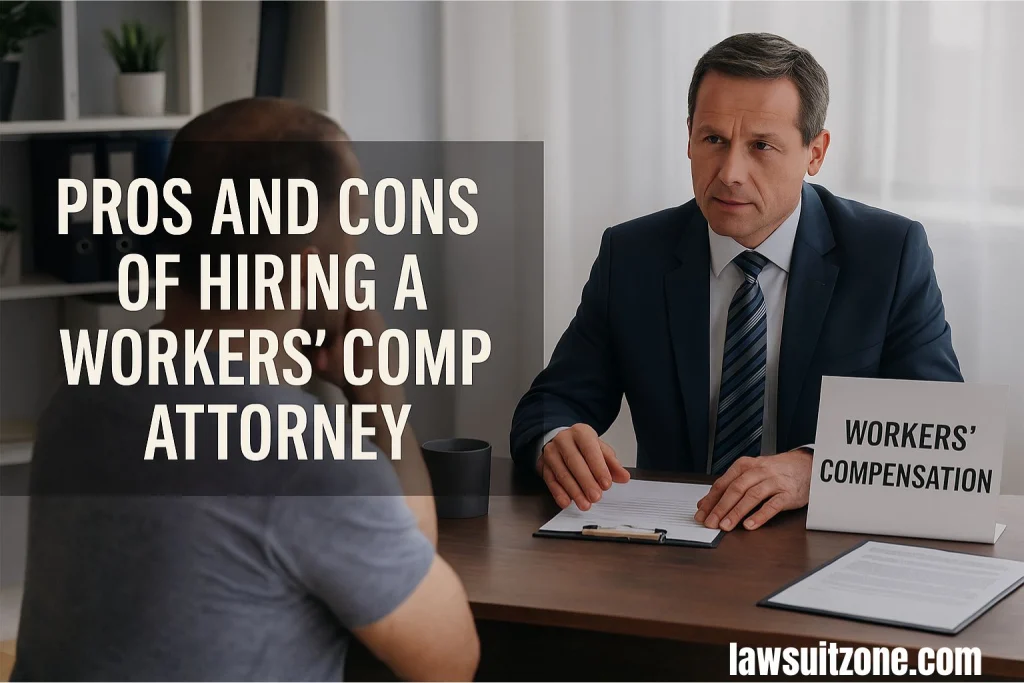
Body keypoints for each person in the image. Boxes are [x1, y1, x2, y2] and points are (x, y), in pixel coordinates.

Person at [12, 98, 480, 681]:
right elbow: (448, 658)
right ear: (310, 272)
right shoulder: (299, 452)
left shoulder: (78, 398)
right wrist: (381, 404)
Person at [509, 33, 963, 533]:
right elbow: (552, 402)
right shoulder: (634, 255)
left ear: (815, 152)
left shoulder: (887, 254)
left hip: (821, 545)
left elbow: (938, 433)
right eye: (713, 140)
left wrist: (817, 468)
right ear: (688, 138)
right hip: (676, 541)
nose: (730, 173)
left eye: (761, 145)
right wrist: (555, 440)